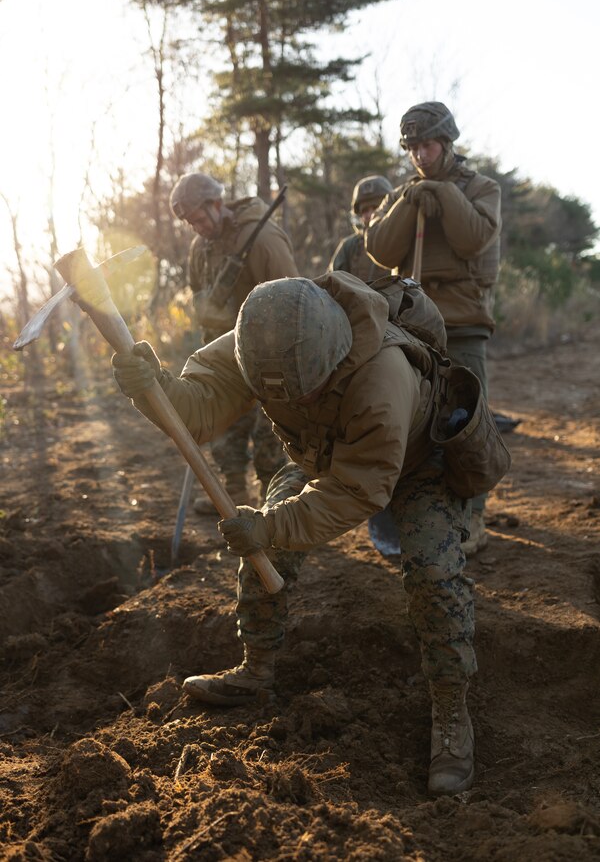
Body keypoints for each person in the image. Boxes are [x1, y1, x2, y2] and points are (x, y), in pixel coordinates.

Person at [111, 271, 479, 797]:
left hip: (415, 462)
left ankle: (451, 710)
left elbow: (357, 491)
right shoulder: (261, 342)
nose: (296, 402)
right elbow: (200, 406)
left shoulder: (382, 378)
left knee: (435, 576)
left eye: (308, 393)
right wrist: (154, 389)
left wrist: (269, 526)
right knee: (267, 541)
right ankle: (256, 668)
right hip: (320, 456)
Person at [364, 102, 502, 554]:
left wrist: (443, 194)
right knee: (412, 421)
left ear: (447, 142)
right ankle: (418, 517)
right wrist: (408, 201)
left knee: (466, 423)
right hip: (414, 326)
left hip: (462, 322)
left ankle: (473, 516)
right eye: (413, 148)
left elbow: (474, 238)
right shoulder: (402, 194)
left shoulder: (482, 188)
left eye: (427, 145)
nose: (420, 156)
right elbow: (381, 249)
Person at [170, 172, 298, 512]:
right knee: (224, 431)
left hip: (269, 355)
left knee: (271, 437)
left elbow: (293, 301)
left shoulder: (263, 239)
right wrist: (207, 309)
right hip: (224, 356)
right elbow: (197, 292)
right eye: (190, 223)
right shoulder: (201, 248)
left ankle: (275, 509)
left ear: (217, 205)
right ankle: (234, 499)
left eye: (199, 219)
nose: (197, 228)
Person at [328, 175, 393, 281]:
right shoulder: (350, 246)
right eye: (365, 210)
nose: (371, 214)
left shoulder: (403, 239)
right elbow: (331, 284)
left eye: (376, 208)